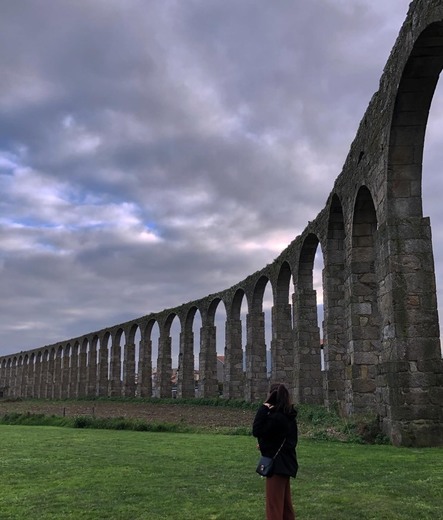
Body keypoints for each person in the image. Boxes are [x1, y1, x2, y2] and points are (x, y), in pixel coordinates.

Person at [253, 383, 298, 520]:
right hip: (286, 464)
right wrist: (266, 445)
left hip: (277, 466)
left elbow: (257, 430)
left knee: (274, 507)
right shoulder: (289, 415)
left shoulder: (276, 417)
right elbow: (285, 440)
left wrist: (263, 407)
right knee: (285, 506)